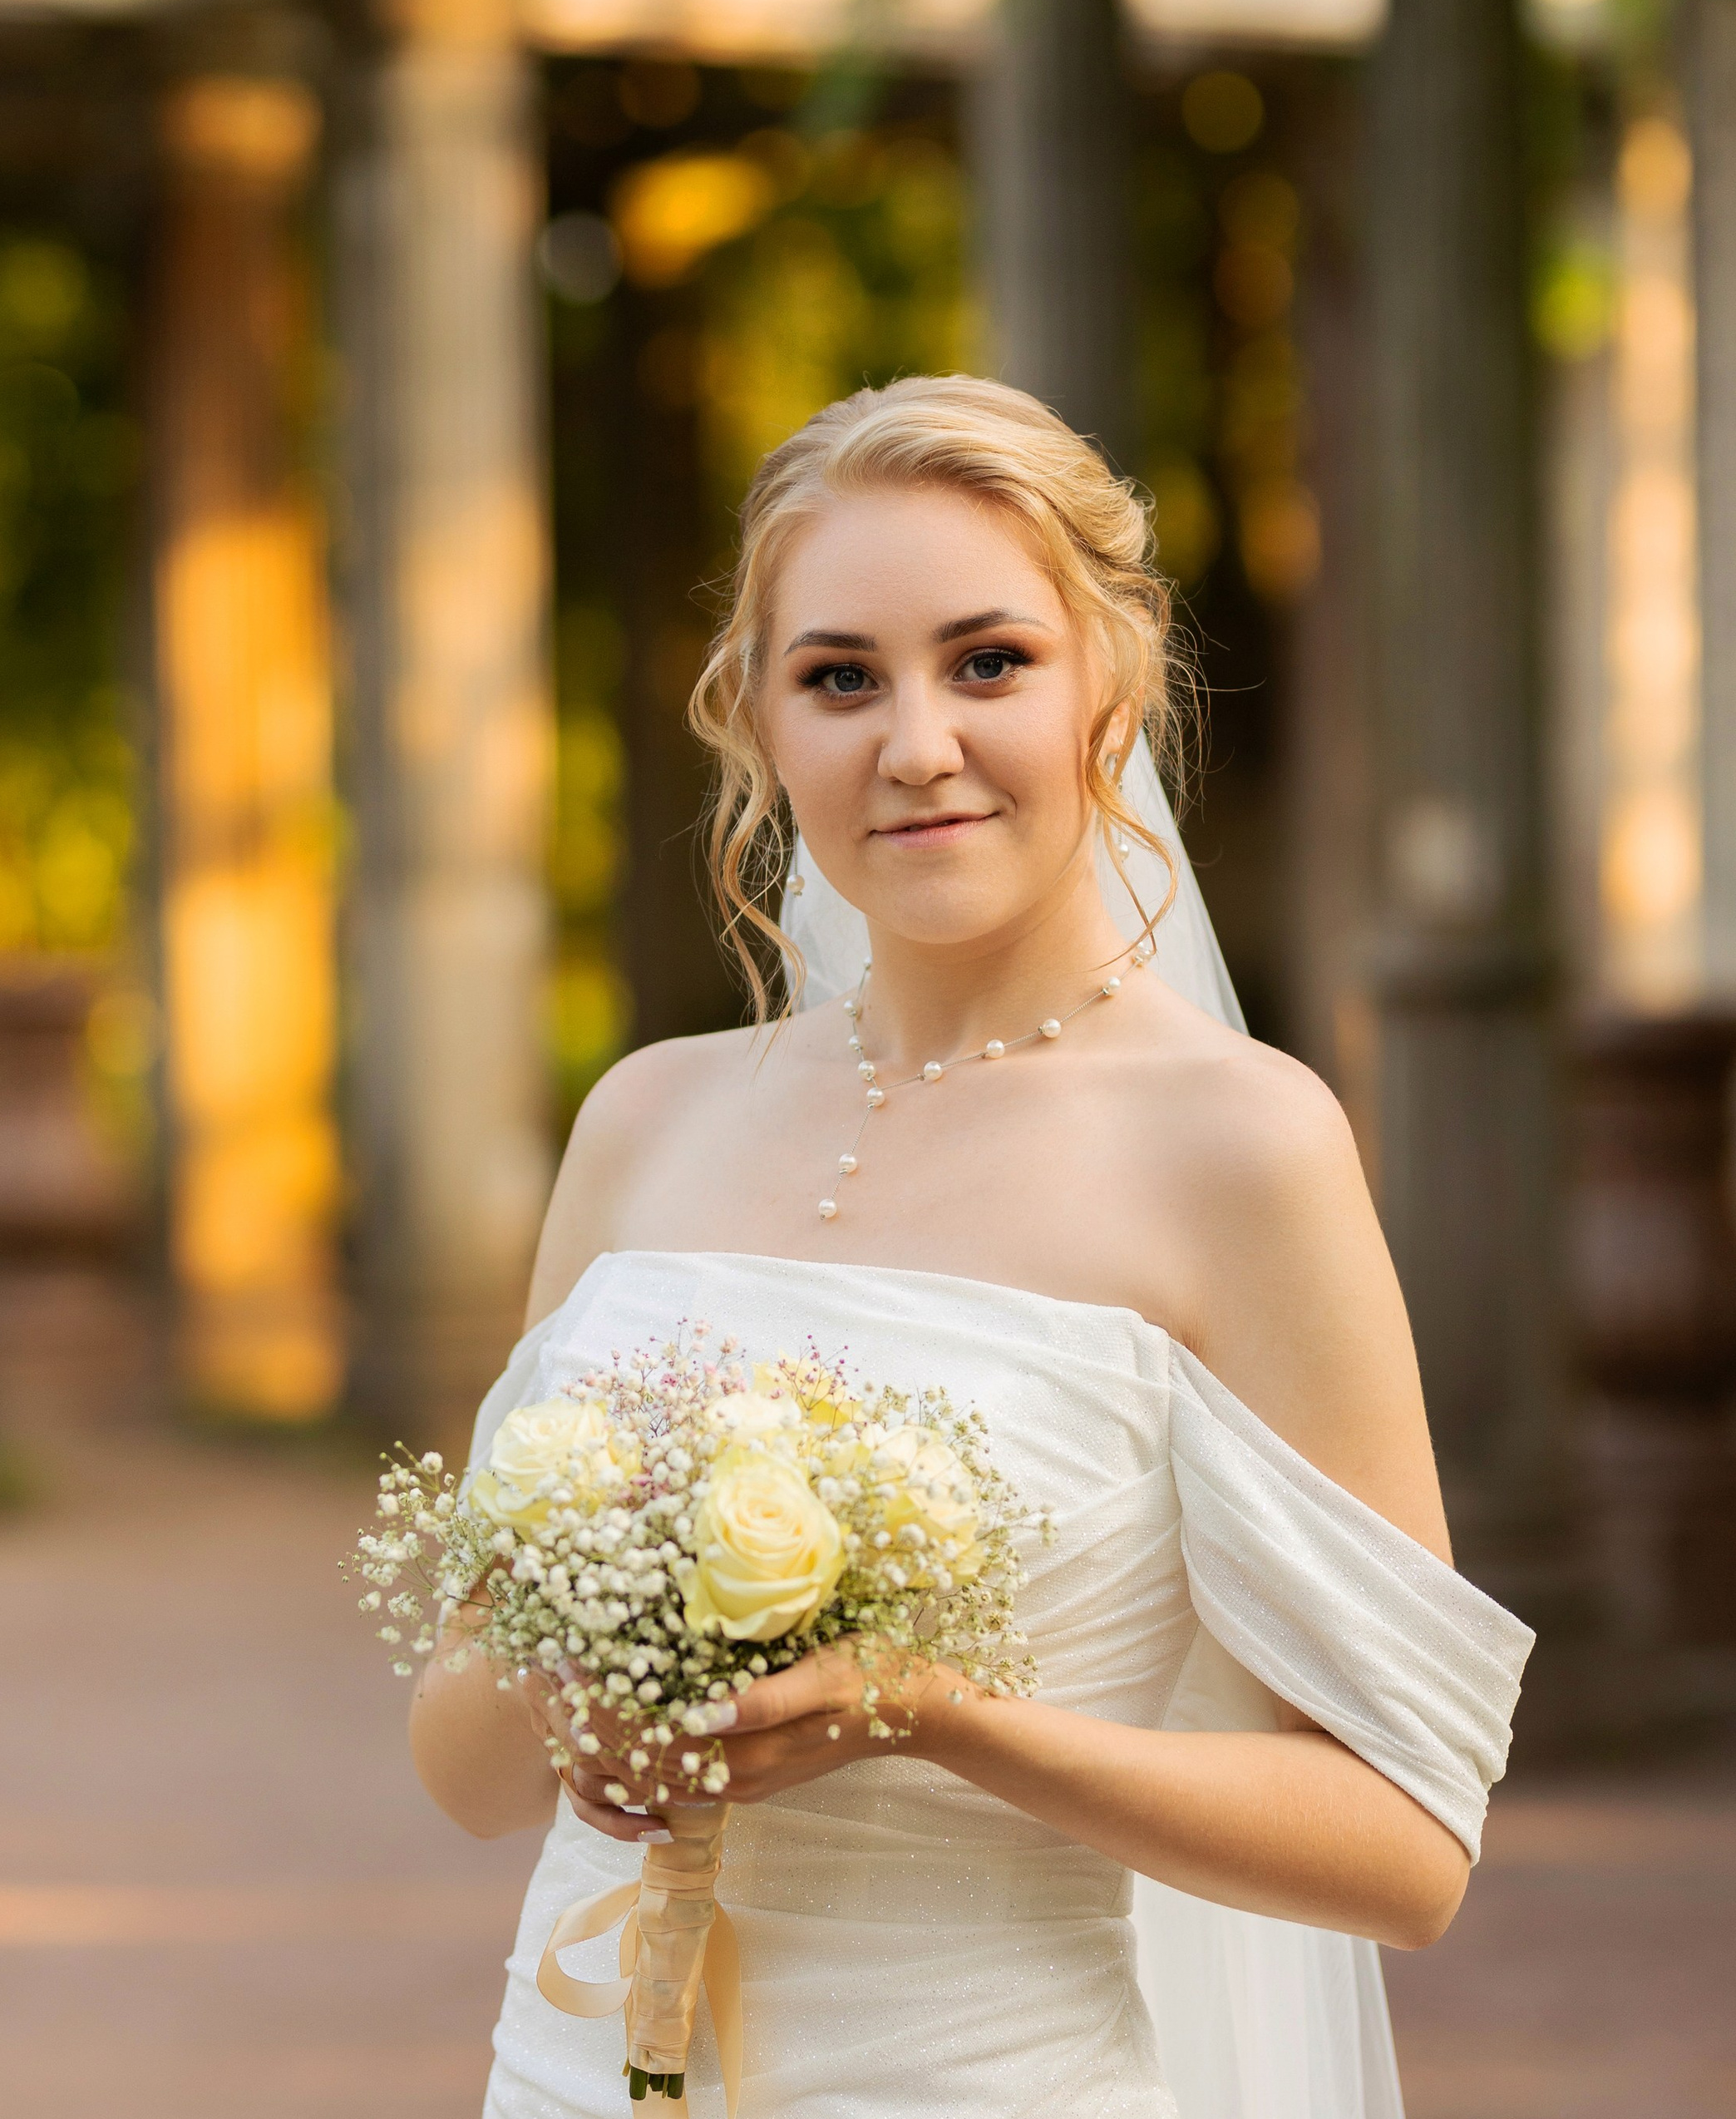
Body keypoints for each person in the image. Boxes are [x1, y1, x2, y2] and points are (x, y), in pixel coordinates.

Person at [408, 376, 1531, 2119]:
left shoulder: (1239, 1143)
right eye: (838, 675)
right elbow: (463, 1764)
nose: (913, 742)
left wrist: (934, 1711)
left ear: (1109, 680)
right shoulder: (643, 1116)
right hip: (566, 2072)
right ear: (757, 718)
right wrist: (590, 1694)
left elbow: (1404, 1846)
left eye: (986, 661)